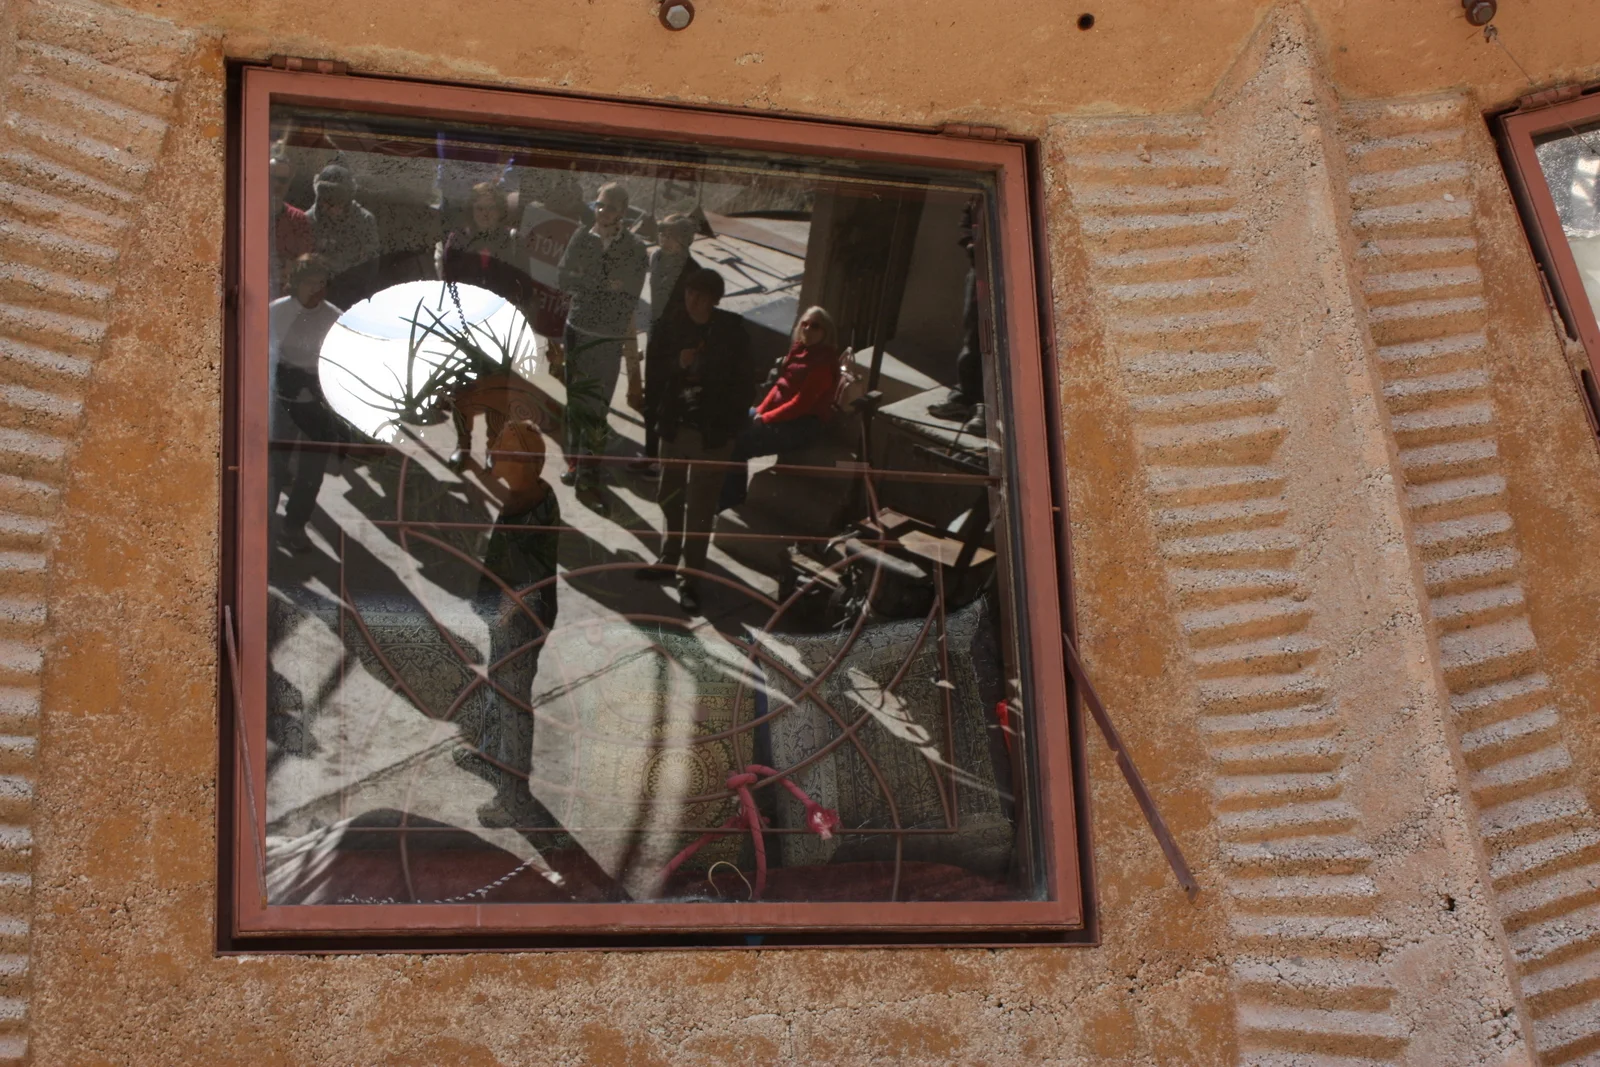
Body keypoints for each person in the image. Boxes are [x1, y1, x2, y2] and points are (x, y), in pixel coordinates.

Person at [453, 418, 563, 830]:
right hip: (514, 617)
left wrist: (500, 616)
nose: (494, 455)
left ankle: (514, 797)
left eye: (502, 452)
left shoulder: (528, 511)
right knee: (499, 687)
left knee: (513, 703)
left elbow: (528, 584)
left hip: (519, 622)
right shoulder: (533, 493)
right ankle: (489, 752)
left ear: (523, 463)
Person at [635, 269, 752, 614]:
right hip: (676, 427)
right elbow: (655, 372)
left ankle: (691, 580)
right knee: (668, 495)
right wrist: (677, 363)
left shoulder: (732, 333)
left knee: (700, 510)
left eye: (700, 295)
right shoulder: (671, 326)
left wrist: (728, 428)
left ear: (714, 299)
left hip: (711, 434)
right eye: (689, 292)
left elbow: (745, 384)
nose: (692, 300)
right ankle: (669, 557)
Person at [717, 306, 840, 513]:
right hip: (780, 416)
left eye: (815, 326)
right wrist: (760, 410)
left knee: (741, 443)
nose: (807, 329)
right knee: (730, 422)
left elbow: (800, 404)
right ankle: (725, 491)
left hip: (802, 425)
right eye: (805, 324)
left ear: (826, 332)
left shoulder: (823, 364)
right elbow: (779, 386)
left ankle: (731, 501)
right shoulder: (799, 350)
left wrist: (765, 418)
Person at [268, 255, 344, 553]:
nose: (316, 289)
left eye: (321, 283)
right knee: (274, 467)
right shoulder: (276, 311)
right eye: (310, 282)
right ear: (297, 283)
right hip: (282, 399)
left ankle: (294, 526)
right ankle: (263, 524)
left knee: (312, 472)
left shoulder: (334, 317)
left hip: (317, 403)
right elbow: (260, 353)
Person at [632, 213, 703, 475]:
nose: (662, 237)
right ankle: (650, 454)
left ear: (684, 239)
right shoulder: (657, 258)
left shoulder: (694, 273)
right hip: (656, 339)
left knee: (670, 402)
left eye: (669, 233)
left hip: (678, 346)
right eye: (661, 231)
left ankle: (665, 462)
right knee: (651, 399)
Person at [926, 203, 987, 434]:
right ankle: (964, 400)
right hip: (982, 271)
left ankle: (986, 408)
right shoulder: (981, 196)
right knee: (974, 336)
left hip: (1016, 274)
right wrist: (971, 244)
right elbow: (968, 217)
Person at [306, 163, 380, 307]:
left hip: (351, 292)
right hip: (317, 293)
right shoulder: (308, 220)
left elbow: (370, 267)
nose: (329, 205)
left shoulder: (364, 221)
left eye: (336, 199)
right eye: (325, 198)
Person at [268, 155, 312, 298]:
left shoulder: (299, 219)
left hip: (286, 295)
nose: (276, 184)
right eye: (272, 178)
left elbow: (304, 260)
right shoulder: (248, 214)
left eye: (282, 180)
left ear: (289, 183)